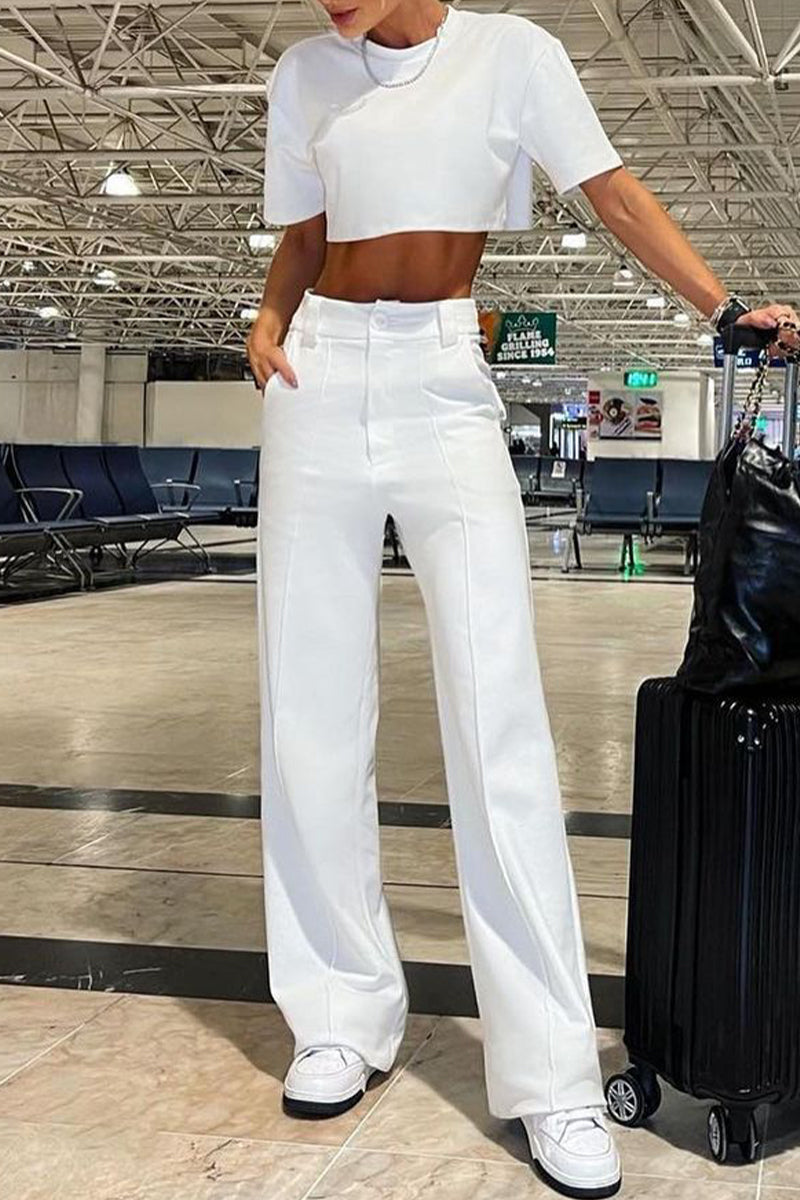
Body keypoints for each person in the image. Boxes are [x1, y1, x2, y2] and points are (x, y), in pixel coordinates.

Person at [245, 4, 800, 1196]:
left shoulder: (512, 54)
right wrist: (269, 316)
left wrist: (719, 308)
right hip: (314, 381)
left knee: (498, 718)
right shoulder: (304, 73)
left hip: (441, 378)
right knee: (305, 713)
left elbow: (611, 191)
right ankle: (337, 1016)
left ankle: (550, 1077)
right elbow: (304, 231)